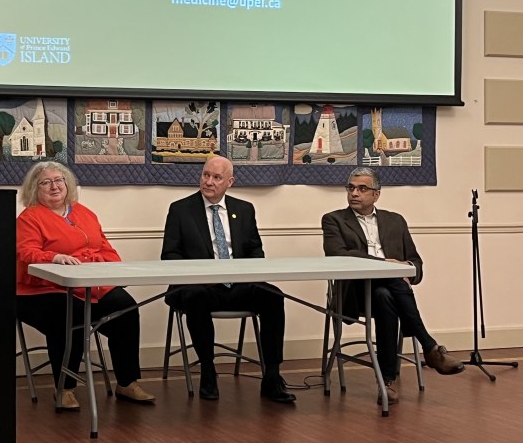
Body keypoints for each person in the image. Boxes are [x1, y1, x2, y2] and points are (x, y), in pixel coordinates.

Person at [16, 161, 155, 410]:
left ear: (68, 184)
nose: (54, 186)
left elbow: (105, 247)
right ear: (34, 190)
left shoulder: (84, 213)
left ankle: (126, 382)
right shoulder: (29, 217)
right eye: (45, 182)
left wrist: (110, 266)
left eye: (59, 180)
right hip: (43, 290)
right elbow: (27, 252)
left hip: (89, 285)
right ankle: (65, 388)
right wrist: (54, 257)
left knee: (126, 308)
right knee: (70, 317)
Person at [322, 167, 465, 405]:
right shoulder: (334, 219)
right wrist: (385, 265)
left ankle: (386, 381)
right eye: (351, 188)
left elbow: (416, 263)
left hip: (385, 293)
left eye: (362, 188)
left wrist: (406, 268)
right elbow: (337, 255)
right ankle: (429, 346)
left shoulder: (395, 220)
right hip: (355, 292)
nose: (354, 193)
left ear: (376, 194)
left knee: (385, 295)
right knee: (392, 282)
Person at [161, 156, 295, 403]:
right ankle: (208, 371)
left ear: (230, 182)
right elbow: (169, 256)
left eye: (216, 177)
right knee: (196, 297)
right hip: (198, 286)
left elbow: (256, 252)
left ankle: (273, 375)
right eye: (205, 175)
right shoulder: (180, 209)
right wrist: (203, 274)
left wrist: (246, 274)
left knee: (273, 296)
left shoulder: (244, 209)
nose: (208, 182)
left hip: (238, 284)